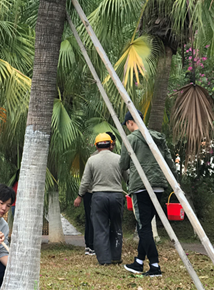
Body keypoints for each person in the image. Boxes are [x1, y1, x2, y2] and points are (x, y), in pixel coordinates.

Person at [120, 110, 175, 277]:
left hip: (141, 186)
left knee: (143, 227)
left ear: (130, 122)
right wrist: (174, 179)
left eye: (127, 125)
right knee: (145, 225)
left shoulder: (130, 139)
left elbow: (123, 164)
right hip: (158, 185)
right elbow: (169, 160)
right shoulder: (157, 137)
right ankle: (138, 262)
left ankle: (154, 265)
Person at [74, 133, 126, 265]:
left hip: (99, 197)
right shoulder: (119, 158)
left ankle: (104, 259)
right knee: (116, 226)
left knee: (100, 228)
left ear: (96, 146)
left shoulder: (92, 160)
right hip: (116, 196)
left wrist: (80, 196)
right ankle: (116, 257)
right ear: (111, 144)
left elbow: (85, 181)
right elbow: (128, 177)